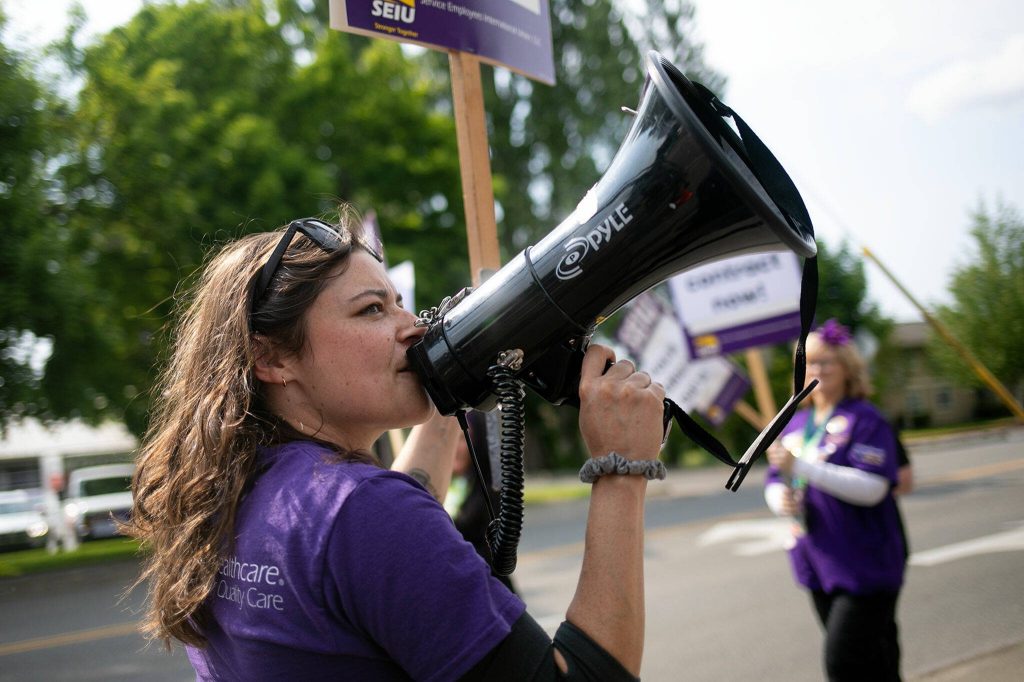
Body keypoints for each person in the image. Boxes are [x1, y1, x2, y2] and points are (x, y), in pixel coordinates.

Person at [126, 208, 668, 681]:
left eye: (399, 304)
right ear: (272, 359)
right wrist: (621, 466)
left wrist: (452, 386)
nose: (412, 326)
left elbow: (375, 539)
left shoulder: (238, 488)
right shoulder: (364, 512)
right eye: (372, 310)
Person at [764, 319, 906, 682]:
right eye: (810, 362)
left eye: (826, 361)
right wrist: (781, 499)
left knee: (844, 664)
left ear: (847, 367)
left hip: (864, 564)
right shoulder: (797, 423)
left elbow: (873, 487)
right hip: (818, 563)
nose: (817, 370)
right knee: (877, 661)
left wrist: (804, 467)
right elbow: (773, 481)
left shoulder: (865, 419)